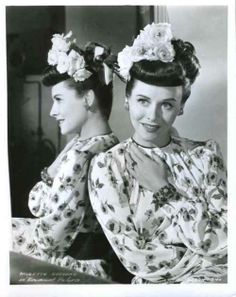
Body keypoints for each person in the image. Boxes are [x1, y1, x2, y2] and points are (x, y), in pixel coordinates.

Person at [88, 23, 227, 283]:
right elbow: (136, 258)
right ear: (127, 99)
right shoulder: (107, 167)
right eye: (143, 101)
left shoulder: (205, 156)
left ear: (181, 106)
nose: (152, 116)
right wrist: (208, 259)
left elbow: (227, 236)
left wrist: (164, 189)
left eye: (166, 104)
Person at [11, 31, 119, 279]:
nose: (52, 111)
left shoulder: (80, 154)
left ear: (88, 98)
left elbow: (47, 237)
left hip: (76, 270)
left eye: (59, 100)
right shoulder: (112, 144)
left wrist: (49, 173)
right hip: (102, 265)